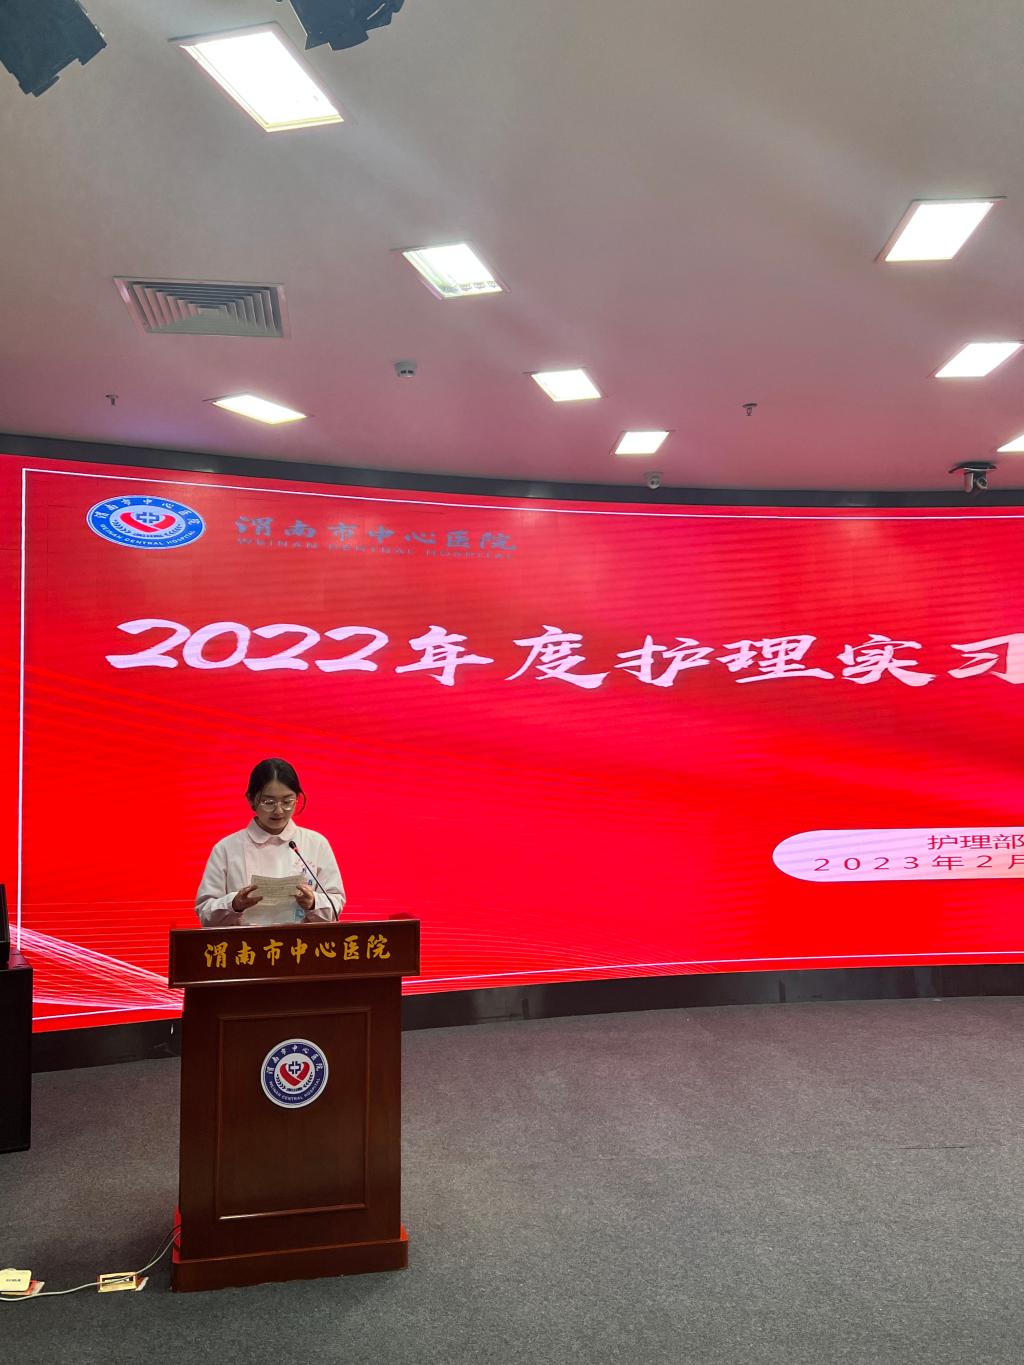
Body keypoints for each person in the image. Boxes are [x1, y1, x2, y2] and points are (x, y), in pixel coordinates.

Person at [195, 758, 345, 927]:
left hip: (300, 942)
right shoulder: (226, 848)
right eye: (268, 802)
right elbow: (205, 912)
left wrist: (313, 903)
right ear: (251, 799)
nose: (279, 810)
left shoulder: (316, 844)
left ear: (297, 798)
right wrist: (234, 904)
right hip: (245, 943)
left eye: (287, 802)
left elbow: (335, 904)